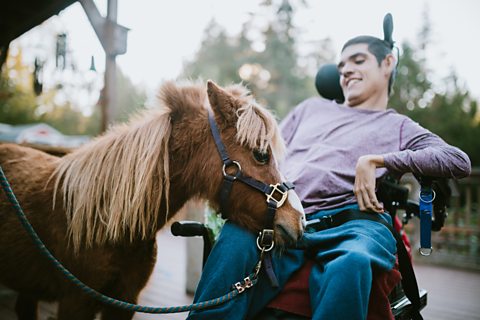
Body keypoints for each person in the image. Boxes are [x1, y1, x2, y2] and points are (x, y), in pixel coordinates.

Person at [187, 15, 471, 320]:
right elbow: (270, 158)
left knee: (353, 263)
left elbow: (458, 160)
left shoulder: (398, 126)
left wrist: (379, 160)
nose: (346, 70)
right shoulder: (310, 109)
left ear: (387, 63)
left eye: (357, 60)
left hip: (355, 225)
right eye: (341, 66)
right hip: (288, 213)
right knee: (234, 240)